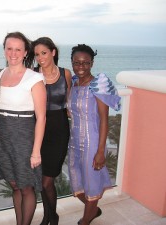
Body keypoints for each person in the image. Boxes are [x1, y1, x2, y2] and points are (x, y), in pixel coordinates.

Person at [0, 32, 47, 225]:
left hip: (24, 137)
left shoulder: (34, 78)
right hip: (3, 137)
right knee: (15, 185)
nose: (13, 53)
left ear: (25, 52)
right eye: (9, 48)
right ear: (4, 51)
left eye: (18, 49)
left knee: (26, 187)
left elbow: (41, 118)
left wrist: (36, 152)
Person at [67, 44, 121, 225]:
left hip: (93, 142)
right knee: (77, 184)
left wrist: (100, 151)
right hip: (74, 141)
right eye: (77, 63)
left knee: (92, 184)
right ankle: (94, 209)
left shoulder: (98, 85)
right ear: (72, 63)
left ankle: (85, 220)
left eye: (85, 63)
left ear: (92, 63)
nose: (81, 67)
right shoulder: (73, 83)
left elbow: (104, 120)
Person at [31, 37, 72, 225]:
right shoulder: (32, 75)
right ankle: (49, 216)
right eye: (37, 54)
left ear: (53, 52)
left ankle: (52, 217)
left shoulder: (66, 74)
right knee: (41, 179)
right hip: (38, 131)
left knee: (47, 180)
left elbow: (69, 102)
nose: (40, 57)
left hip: (59, 130)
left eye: (44, 53)